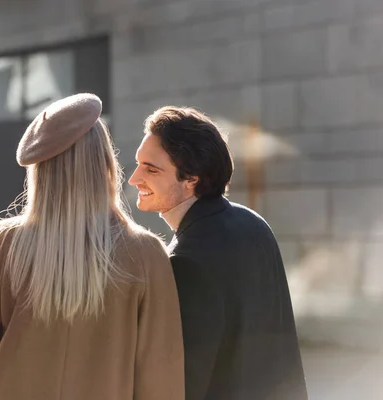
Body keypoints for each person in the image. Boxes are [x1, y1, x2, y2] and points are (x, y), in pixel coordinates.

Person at [0, 94, 185, 400]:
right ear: (105, 163)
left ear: (39, 171)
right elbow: (161, 374)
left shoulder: (5, 242)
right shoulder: (145, 254)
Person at [128, 106, 308, 400]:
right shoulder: (254, 224)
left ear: (191, 179)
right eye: (138, 163)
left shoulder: (187, 260)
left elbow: (183, 382)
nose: (134, 178)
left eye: (151, 168)